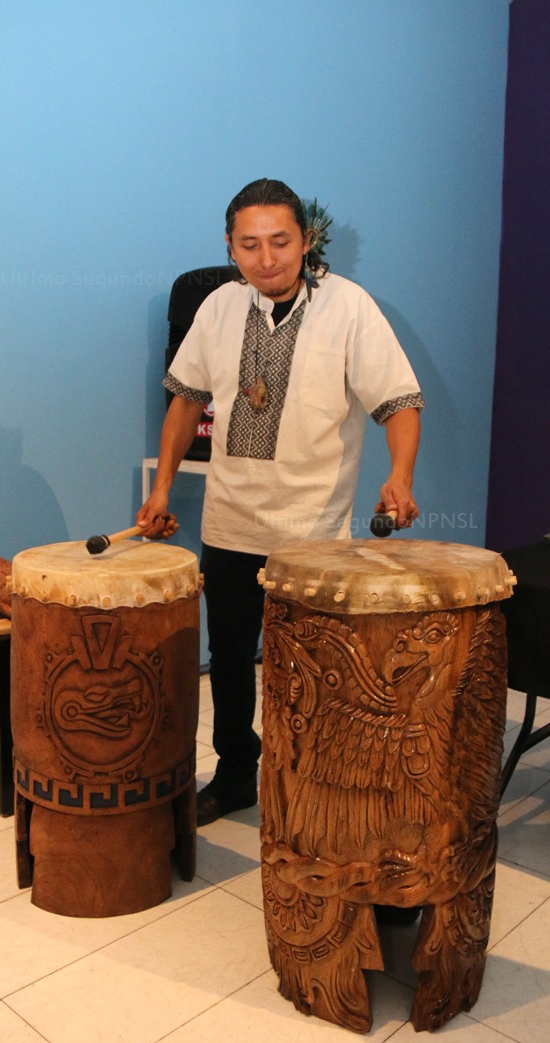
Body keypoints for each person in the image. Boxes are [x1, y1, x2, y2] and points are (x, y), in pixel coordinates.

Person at [137, 178, 423, 826]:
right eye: (250, 245)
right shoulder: (217, 308)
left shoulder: (349, 308)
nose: (267, 258)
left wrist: (400, 477)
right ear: (231, 248)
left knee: (315, 668)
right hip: (231, 520)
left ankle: (315, 779)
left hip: (313, 531)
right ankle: (237, 771)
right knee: (232, 659)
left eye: (280, 241)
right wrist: (160, 488)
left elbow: (399, 402)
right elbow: (186, 399)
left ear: (305, 239)